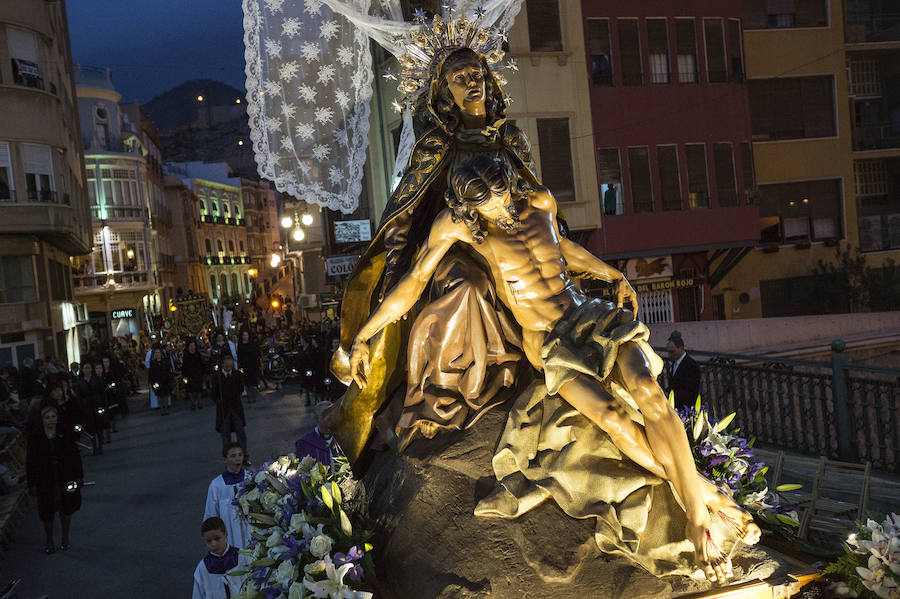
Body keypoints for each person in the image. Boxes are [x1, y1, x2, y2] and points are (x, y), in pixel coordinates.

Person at [348, 155, 760, 583]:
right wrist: (366, 333)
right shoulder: (454, 227)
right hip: (549, 341)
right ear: (470, 209)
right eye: (491, 206)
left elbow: (562, 249)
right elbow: (414, 280)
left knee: (649, 392)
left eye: (505, 195)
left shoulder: (539, 200)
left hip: (592, 315)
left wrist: (611, 273)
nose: (504, 209)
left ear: (509, 182)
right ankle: (708, 500)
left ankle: (697, 516)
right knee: (613, 419)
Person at [26, 403, 83, 554]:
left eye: (53, 417)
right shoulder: (36, 437)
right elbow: (30, 462)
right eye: (47, 417)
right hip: (46, 478)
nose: (51, 420)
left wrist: (78, 476)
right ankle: (49, 539)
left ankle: (65, 537)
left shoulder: (65, 433)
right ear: (42, 419)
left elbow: (75, 455)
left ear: (57, 418)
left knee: (66, 508)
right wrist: (31, 482)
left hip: (64, 475)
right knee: (47, 512)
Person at [202, 442, 251, 550]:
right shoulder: (217, 485)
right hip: (230, 533)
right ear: (225, 459)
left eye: (240, 455)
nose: (238, 459)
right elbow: (211, 513)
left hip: (249, 529)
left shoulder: (250, 479)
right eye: (233, 456)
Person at [192, 516, 246, 599]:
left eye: (217, 538)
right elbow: (198, 596)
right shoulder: (203, 568)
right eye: (209, 541)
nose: (214, 544)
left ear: (225, 534)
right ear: (204, 540)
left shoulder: (243, 557)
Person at [211, 355, 247, 461]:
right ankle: (228, 457)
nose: (229, 365)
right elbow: (213, 393)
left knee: (240, 433)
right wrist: (219, 401)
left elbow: (240, 388)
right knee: (225, 435)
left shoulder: (237, 375)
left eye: (230, 362)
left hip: (236, 408)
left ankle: (243, 455)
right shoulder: (217, 377)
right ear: (222, 364)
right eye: (227, 363)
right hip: (224, 409)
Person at [665, 331, 702, 411]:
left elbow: (691, 390)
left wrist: (671, 396)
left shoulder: (692, 365)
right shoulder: (675, 362)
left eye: (672, 352)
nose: (669, 355)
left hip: (686, 408)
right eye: (668, 352)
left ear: (681, 348)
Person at [77, 363, 105, 455]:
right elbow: (79, 396)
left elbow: (102, 392)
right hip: (87, 407)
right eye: (85, 368)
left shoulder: (96, 380)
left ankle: (100, 446)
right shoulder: (80, 382)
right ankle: (94, 447)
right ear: (82, 370)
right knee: (91, 428)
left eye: (89, 368)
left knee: (99, 427)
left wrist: (103, 404)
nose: (87, 370)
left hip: (97, 405)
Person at [236, 331, 261, 404]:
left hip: (252, 365)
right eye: (244, 335)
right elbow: (239, 356)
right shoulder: (240, 345)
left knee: (253, 382)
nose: (245, 336)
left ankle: (253, 396)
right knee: (246, 382)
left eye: (246, 335)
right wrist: (239, 365)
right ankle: (249, 397)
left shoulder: (252, 344)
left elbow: (256, 354)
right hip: (244, 366)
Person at [148, 347, 174, 416]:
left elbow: (168, 371)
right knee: (159, 395)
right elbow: (151, 373)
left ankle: (165, 408)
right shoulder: (153, 363)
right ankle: (162, 409)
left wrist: (170, 380)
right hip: (157, 381)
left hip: (165, 380)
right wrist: (151, 382)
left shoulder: (165, 361)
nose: (157, 354)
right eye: (156, 353)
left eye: (158, 353)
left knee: (165, 395)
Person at [182, 340, 207, 411]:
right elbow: (184, 366)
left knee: (199, 388)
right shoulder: (186, 355)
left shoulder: (197, 354)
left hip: (198, 373)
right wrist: (184, 375)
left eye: (193, 346)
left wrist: (203, 371)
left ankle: (198, 402)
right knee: (190, 389)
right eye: (191, 346)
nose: (192, 347)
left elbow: (201, 363)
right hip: (189, 374)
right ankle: (193, 402)